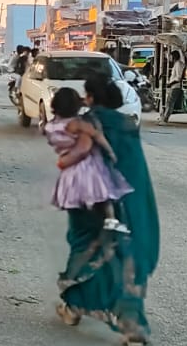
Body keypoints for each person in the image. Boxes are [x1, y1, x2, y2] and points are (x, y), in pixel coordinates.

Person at [54, 77, 159, 346]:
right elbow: (136, 169)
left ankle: (75, 306)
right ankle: (133, 327)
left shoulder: (88, 122)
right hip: (131, 202)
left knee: (87, 250)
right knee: (127, 260)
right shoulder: (128, 125)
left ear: (89, 97)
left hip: (93, 202)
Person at [44, 86, 132, 237]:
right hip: (87, 166)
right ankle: (110, 219)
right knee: (102, 193)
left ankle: (82, 224)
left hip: (68, 170)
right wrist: (110, 151)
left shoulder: (50, 126)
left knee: (76, 199)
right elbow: (97, 136)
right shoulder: (77, 124)